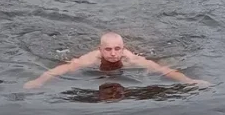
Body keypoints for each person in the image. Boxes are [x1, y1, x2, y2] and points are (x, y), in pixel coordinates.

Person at [24, 32, 211, 89]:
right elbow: (62, 69)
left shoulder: (132, 59)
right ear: (100, 49)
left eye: (117, 49)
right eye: (108, 49)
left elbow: (164, 70)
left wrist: (189, 81)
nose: (113, 54)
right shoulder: (90, 59)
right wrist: (38, 81)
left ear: (123, 49)